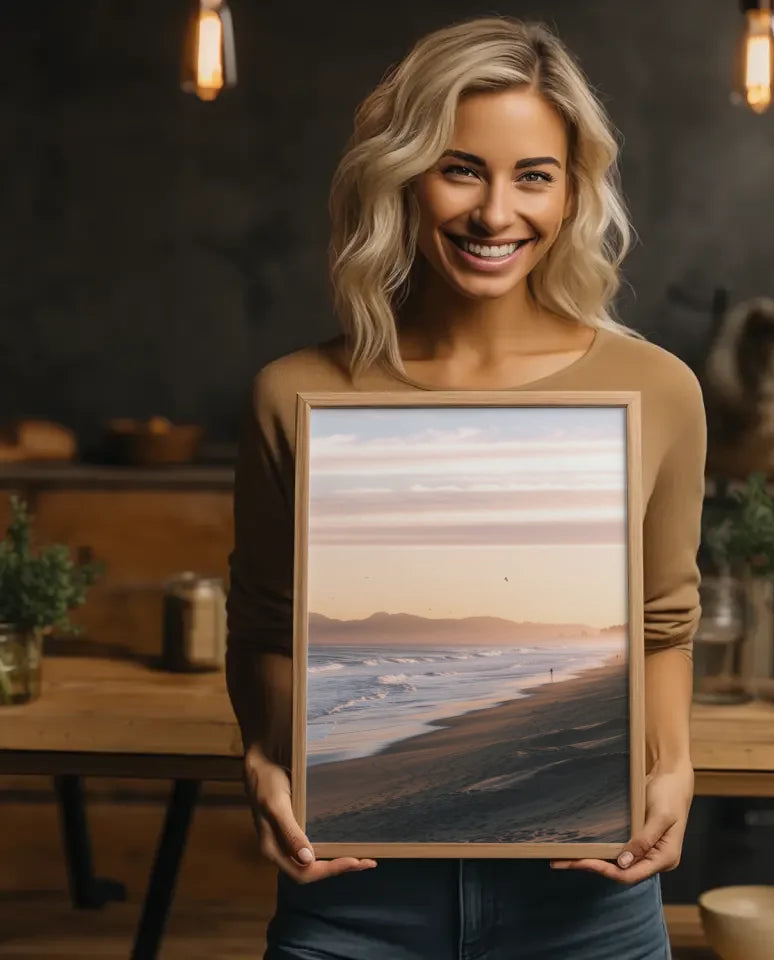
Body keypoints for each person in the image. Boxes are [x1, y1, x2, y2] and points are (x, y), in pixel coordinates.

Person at [226, 16, 705, 960]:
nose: (496, 215)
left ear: (572, 195)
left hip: (587, 907)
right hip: (351, 902)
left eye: (534, 175)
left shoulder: (659, 390)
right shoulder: (295, 394)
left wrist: (676, 766)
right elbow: (265, 628)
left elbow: (661, 624)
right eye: (460, 169)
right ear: (402, 177)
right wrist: (261, 754)